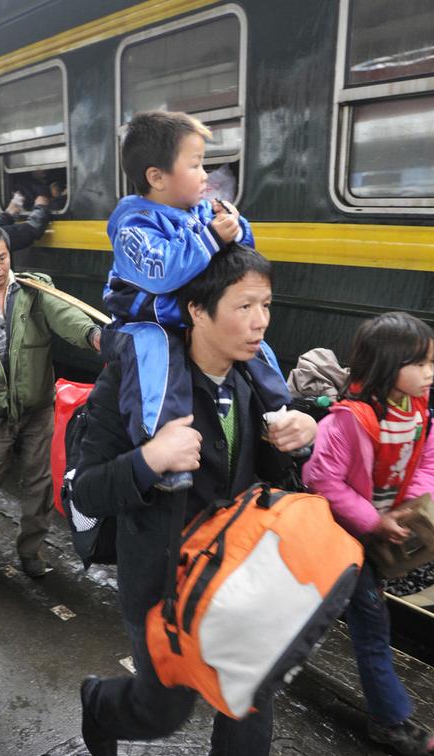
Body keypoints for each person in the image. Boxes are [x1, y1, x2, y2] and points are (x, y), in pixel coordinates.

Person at [74, 244, 317, 756]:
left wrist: (302, 440)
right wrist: (150, 460)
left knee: (251, 689)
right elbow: (86, 489)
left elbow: (278, 479)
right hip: (162, 578)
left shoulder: (258, 381)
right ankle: (101, 704)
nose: (261, 321)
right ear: (197, 311)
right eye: (244, 306)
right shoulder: (134, 383)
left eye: (267, 305)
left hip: (240, 571)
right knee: (164, 711)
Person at [102, 110, 290, 491]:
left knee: (254, 345)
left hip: (189, 313)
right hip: (147, 318)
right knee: (157, 359)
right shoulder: (133, 224)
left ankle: (280, 412)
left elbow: (237, 267)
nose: (206, 174)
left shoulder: (201, 211)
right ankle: (163, 447)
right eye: (195, 164)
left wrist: (238, 229)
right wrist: (211, 239)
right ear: (157, 177)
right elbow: (161, 272)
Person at [303, 311, 434, 756]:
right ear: (386, 365)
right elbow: (321, 480)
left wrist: (410, 507)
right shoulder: (350, 419)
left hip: (375, 536)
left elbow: (433, 461)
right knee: (371, 626)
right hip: (342, 538)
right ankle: (388, 721)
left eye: (431, 362)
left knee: (323, 610)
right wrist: (372, 520)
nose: (429, 372)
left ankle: (261, 654)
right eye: (419, 363)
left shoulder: (418, 413)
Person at [0, 221, 102, 578]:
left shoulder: (34, 291)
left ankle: (31, 551)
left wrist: (94, 336)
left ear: (10, 254)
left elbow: (67, 317)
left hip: (37, 410)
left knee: (39, 484)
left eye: (2, 258)